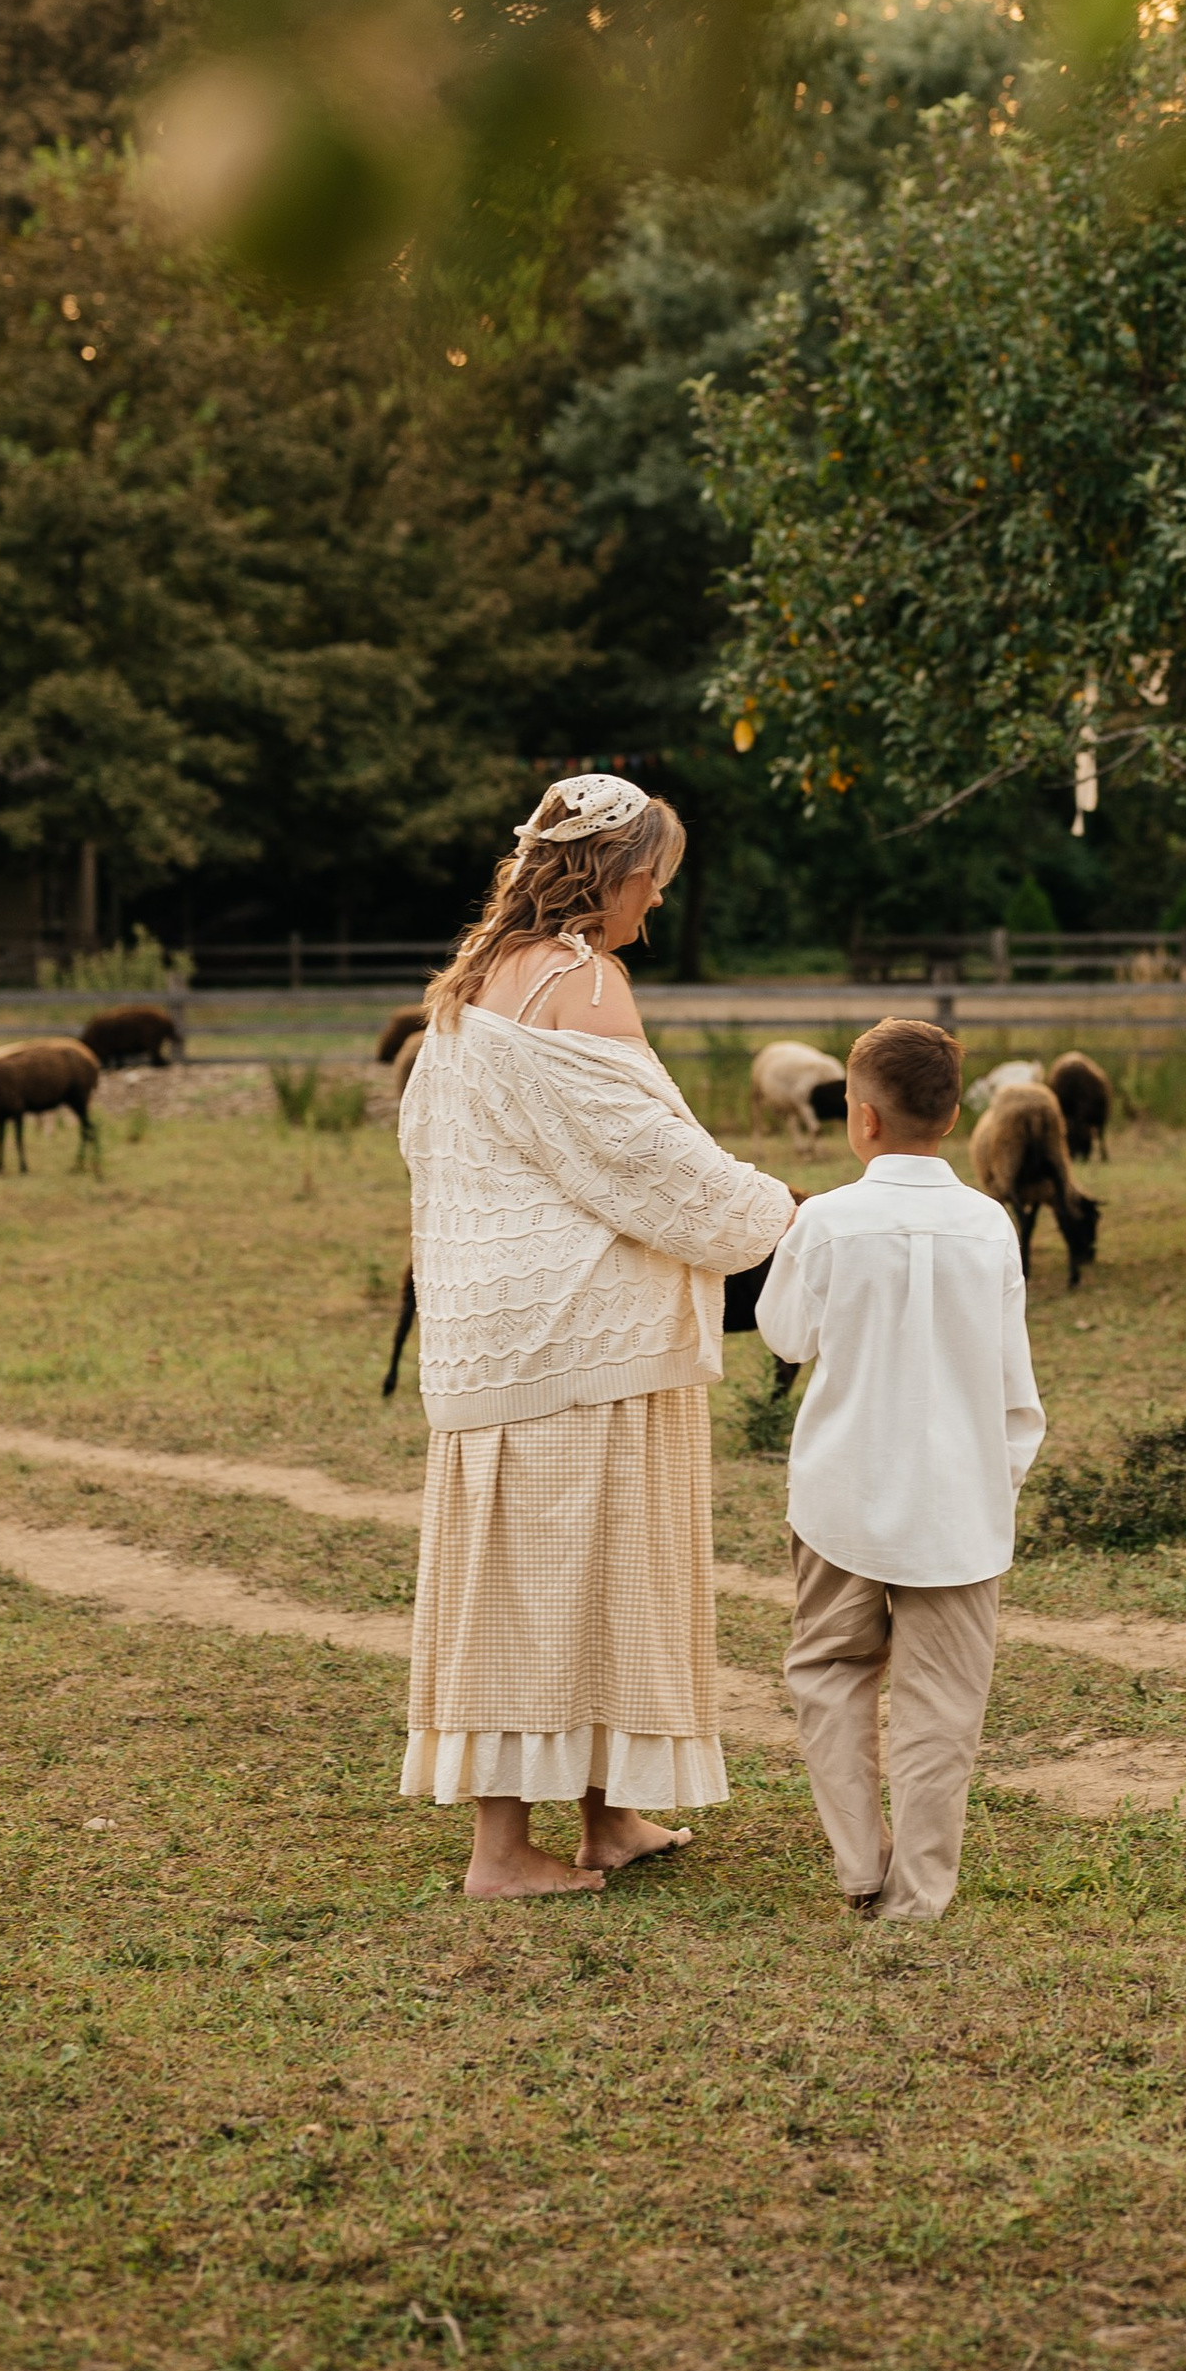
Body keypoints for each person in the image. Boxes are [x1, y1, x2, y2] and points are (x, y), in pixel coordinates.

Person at [398, 773, 796, 1903]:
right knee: (573, 1576)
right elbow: (646, 1160)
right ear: (613, 877)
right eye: (652, 883)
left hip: (498, 1329)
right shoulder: (583, 979)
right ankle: (501, 1852)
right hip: (579, 1333)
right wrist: (781, 1216)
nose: (654, 906)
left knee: (551, 1576)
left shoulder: (469, 984)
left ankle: (607, 1815)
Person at [752, 1016, 1045, 1923]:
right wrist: (1000, 1483)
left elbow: (784, 1335)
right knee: (943, 1705)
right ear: (955, 1118)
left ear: (862, 1118)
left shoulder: (828, 1223)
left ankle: (859, 1866)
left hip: (843, 1496)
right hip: (961, 1504)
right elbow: (1011, 1379)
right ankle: (918, 1894)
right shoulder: (991, 1227)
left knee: (832, 1673)